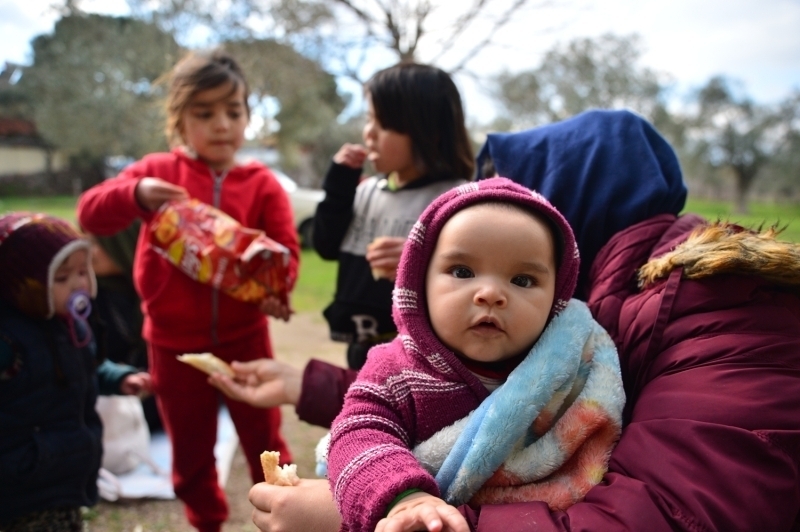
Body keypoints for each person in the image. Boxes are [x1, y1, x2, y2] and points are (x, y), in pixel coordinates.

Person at [214, 110, 800, 532]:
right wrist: (305, 386)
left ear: (559, 234)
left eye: (519, 272)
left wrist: (371, 515)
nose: (490, 293)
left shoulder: (723, 304)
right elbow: (443, 390)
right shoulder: (597, 304)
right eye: (464, 267)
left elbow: (676, 512)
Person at [76, 48, 300, 532]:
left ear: (247, 117)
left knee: (267, 440)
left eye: (233, 111)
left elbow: (286, 252)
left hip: (246, 341)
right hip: (173, 345)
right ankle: (206, 523)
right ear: (180, 120)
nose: (222, 124)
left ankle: (290, 516)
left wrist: (277, 288)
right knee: (192, 451)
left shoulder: (261, 184)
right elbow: (91, 213)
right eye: (205, 113)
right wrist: (135, 194)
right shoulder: (158, 174)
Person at [326, 177, 625, 532]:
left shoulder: (573, 364)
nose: (490, 294)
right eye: (463, 272)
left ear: (556, 299)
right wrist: (407, 499)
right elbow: (357, 432)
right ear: (419, 281)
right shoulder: (395, 369)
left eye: (523, 280)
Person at [312, 62, 474, 370]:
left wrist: (420, 259)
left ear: (429, 131)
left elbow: (469, 278)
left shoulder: (456, 200)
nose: (369, 133)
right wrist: (338, 186)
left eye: (383, 124)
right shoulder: (365, 191)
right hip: (360, 351)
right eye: (369, 119)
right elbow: (325, 244)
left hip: (417, 360)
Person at [0, 212, 151, 531]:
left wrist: (118, 377)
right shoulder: (9, 339)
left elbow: (88, 367)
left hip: (66, 472)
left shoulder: (73, 325)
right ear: (21, 285)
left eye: (84, 272)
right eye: (62, 278)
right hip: (23, 483)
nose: (78, 284)